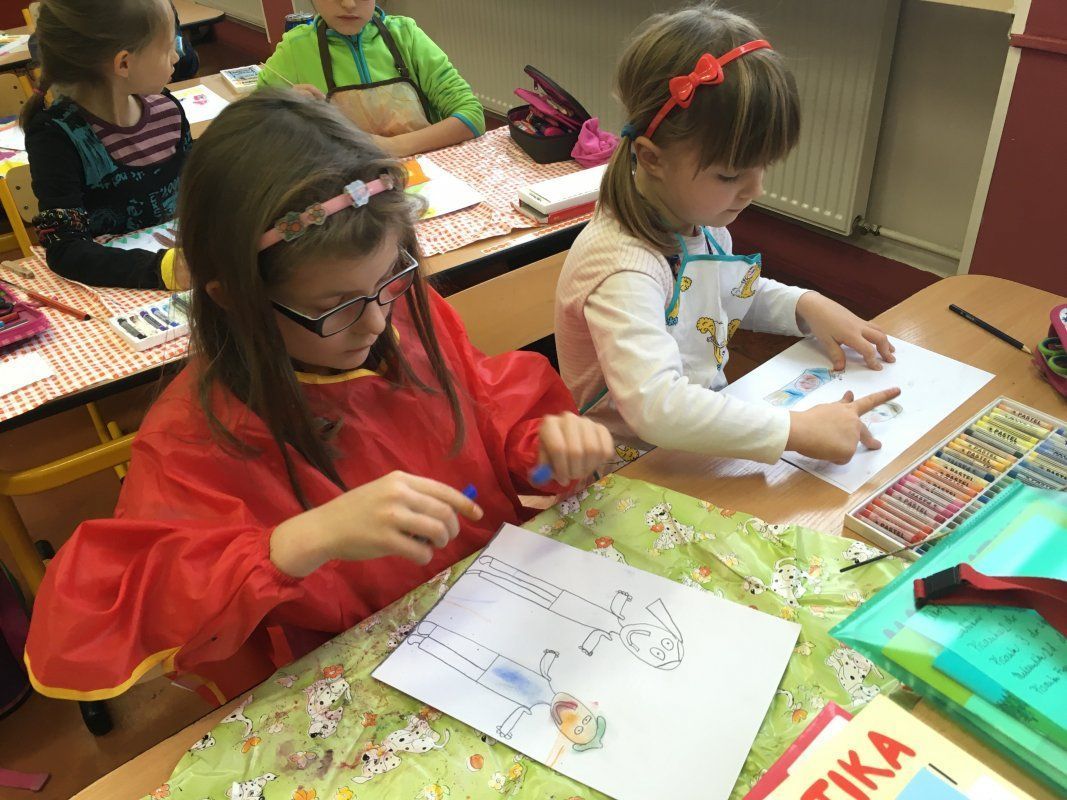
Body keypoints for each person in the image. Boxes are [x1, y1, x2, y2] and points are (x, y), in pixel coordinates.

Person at [25, 91, 613, 704]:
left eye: (390, 278)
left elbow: (490, 424)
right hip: (367, 676)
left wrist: (543, 448)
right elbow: (89, 624)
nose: (376, 323)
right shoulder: (194, 437)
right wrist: (297, 543)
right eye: (334, 307)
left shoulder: (403, 315)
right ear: (235, 298)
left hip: (502, 614)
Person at [555, 2, 899, 472]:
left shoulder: (699, 220)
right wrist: (795, 431)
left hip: (696, 447)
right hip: (629, 472)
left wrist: (804, 305)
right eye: (731, 174)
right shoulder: (623, 267)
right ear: (652, 158)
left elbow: (721, 295)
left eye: (763, 167)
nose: (757, 190)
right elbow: (658, 407)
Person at [22, 0, 191, 289]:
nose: (176, 56)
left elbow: (196, 194)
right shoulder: (56, 135)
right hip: (119, 290)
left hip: (181, 275)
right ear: (124, 63)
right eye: (166, 48)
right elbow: (65, 249)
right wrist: (162, 269)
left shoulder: (168, 111)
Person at [258, 0, 483, 156]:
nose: (349, 4)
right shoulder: (294, 50)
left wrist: (393, 146)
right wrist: (285, 111)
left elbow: (471, 116)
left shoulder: (407, 36)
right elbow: (255, 128)